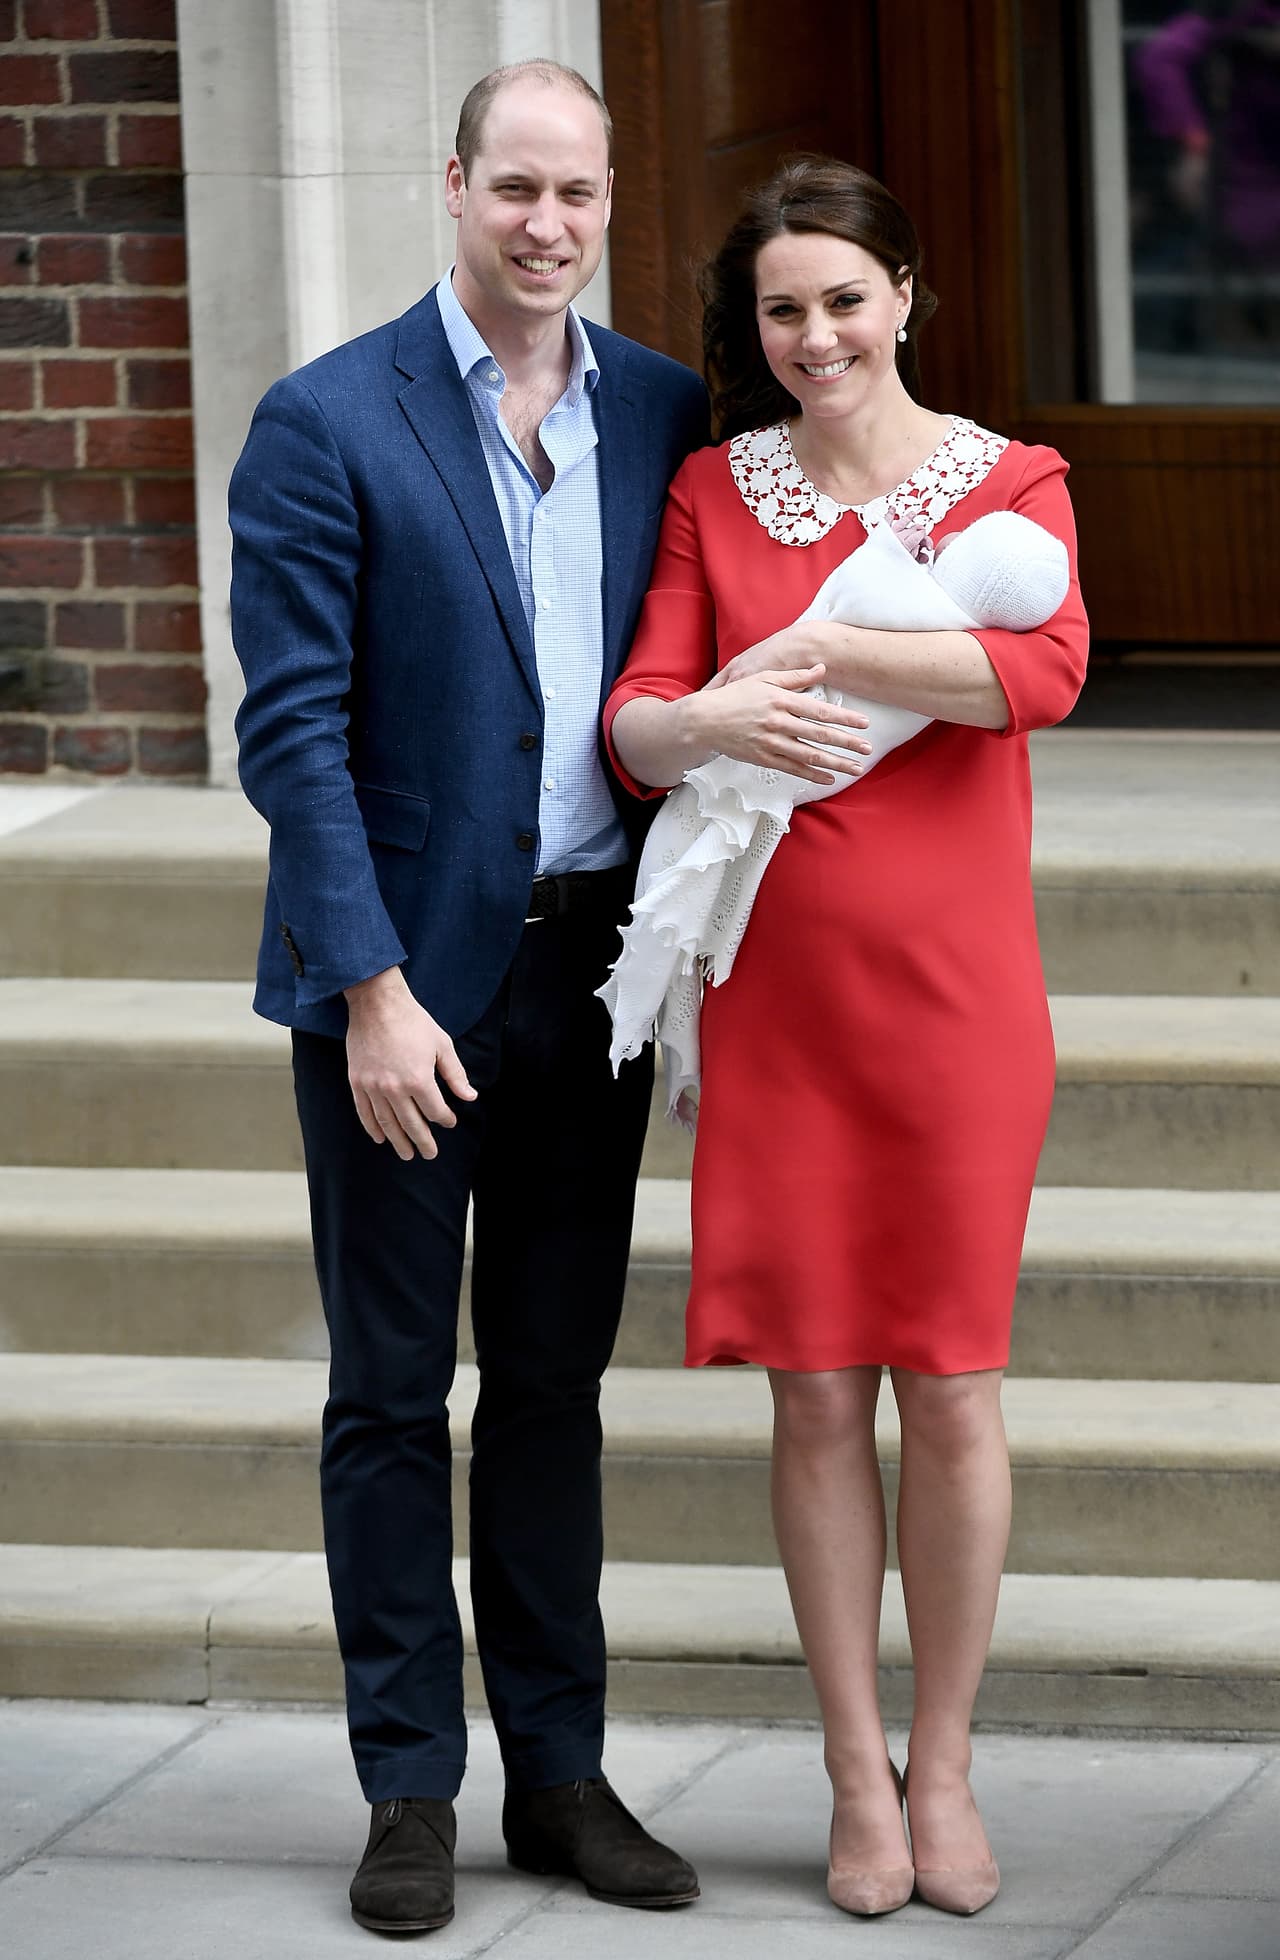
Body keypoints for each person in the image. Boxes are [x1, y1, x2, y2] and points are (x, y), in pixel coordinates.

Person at [229, 59, 707, 1938]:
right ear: (454, 187)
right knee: (389, 1390)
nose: (548, 227)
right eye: (516, 188)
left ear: (605, 203)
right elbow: (293, 731)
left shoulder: (666, 410)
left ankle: (561, 1779)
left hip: (591, 974)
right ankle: (407, 1786)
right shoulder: (326, 418)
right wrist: (366, 986)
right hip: (401, 990)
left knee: (555, 1389)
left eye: (578, 194)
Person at [605, 155, 1089, 1920]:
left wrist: (823, 657)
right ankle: (852, 1782)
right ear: (756, 328)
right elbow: (639, 725)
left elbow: (1043, 676)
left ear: (905, 299)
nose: (816, 334)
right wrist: (710, 706)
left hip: (959, 1000)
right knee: (816, 1392)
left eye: (843, 298)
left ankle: (945, 1770)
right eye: (781, 309)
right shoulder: (708, 494)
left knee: (951, 1385)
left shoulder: (1005, 480)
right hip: (781, 998)